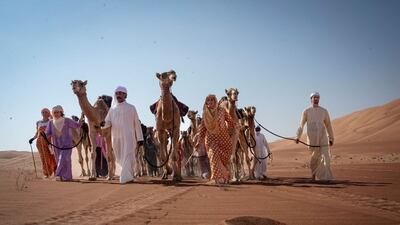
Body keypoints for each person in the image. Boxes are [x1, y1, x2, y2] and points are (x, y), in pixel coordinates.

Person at [103, 86, 144, 184]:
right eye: (117, 93)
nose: (118, 95)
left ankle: (124, 178)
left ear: (125, 95)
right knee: (119, 157)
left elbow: (136, 123)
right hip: (116, 138)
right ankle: (129, 176)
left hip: (129, 137)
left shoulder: (131, 108)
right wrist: (103, 124)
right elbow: (107, 122)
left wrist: (140, 138)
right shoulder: (112, 109)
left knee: (127, 155)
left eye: (121, 93)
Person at [196, 94, 236, 185]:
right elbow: (202, 128)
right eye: (208, 101)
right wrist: (199, 141)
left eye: (212, 100)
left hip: (224, 139)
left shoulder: (222, 111)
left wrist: (233, 128)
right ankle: (217, 178)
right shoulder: (205, 114)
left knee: (223, 159)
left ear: (215, 101)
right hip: (211, 140)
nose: (210, 102)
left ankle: (224, 176)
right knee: (214, 157)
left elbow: (230, 120)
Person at [295, 92, 334, 181]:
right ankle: (313, 176)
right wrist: (298, 136)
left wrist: (331, 138)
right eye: (314, 97)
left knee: (326, 157)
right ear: (311, 99)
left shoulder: (324, 111)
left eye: (317, 98)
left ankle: (326, 178)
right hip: (312, 139)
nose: (316, 99)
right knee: (314, 159)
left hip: (323, 137)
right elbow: (301, 125)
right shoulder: (306, 111)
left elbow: (328, 125)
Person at [44, 105, 82, 181]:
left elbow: (76, 125)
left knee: (65, 159)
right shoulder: (51, 122)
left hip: (67, 144)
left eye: (58, 112)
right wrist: (43, 134)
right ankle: (63, 177)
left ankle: (60, 174)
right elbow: (47, 133)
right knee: (58, 159)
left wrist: (81, 120)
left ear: (61, 112)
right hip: (56, 145)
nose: (56, 114)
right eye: (54, 112)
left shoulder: (67, 120)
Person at [29, 108, 57, 178]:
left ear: (49, 113)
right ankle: (47, 173)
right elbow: (37, 133)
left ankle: (56, 172)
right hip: (40, 142)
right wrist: (33, 138)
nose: (44, 113)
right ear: (41, 113)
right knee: (44, 158)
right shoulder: (38, 122)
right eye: (43, 112)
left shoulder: (51, 121)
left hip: (50, 141)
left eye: (46, 112)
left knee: (53, 157)